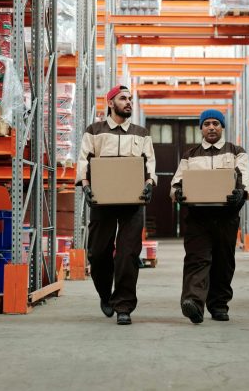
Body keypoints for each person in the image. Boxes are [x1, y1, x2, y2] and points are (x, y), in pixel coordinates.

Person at [76, 85, 157, 325]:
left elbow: (149, 162)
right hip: (103, 198)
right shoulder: (95, 131)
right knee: (98, 252)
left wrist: (150, 182)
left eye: (130, 99)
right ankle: (105, 294)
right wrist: (86, 185)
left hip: (133, 201)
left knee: (128, 255)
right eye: (123, 98)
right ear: (110, 103)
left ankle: (124, 306)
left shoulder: (141, 133)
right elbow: (84, 159)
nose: (128, 102)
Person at [170, 109, 249, 324]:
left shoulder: (236, 152)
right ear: (201, 129)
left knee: (223, 262)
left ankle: (219, 305)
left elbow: (244, 177)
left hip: (226, 216)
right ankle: (193, 303)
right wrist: (177, 192)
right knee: (197, 260)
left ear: (222, 127)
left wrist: (241, 193)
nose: (212, 127)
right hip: (198, 216)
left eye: (216, 123)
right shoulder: (190, 155)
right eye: (207, 124)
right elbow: (176, 182)